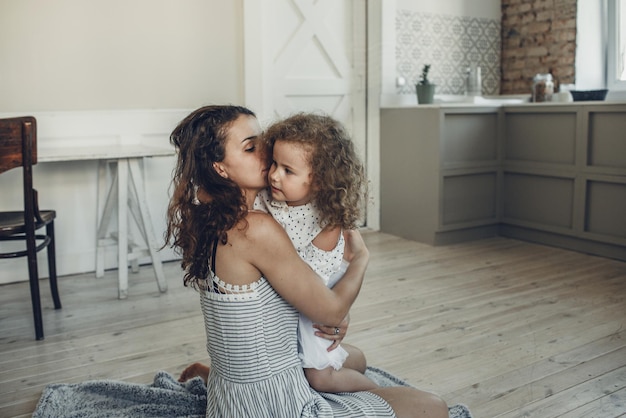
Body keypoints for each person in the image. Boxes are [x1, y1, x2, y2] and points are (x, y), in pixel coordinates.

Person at [166, 105, 448, 417]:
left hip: (231, 395)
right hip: (274, 405)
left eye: (261, 142)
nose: (266, 153)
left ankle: (215, 375)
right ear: (220, 167)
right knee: (434, 407)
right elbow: (331, 310)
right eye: (250, 148)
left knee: (356, 358)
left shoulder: (209, 212)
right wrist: (361, 259)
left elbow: (313, 289)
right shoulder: (254, 228)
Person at [255, 112, 377, 393]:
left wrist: (339, 315)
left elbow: (321, 281)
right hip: (289, 298)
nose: (274, 174)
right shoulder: (273, 197)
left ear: (319, 181)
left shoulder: (326, 220)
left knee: (319, 376)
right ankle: (351, 359)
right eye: (274, 163)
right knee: (294, 367)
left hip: (311, 302)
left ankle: (376, 394)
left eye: (288, 170)